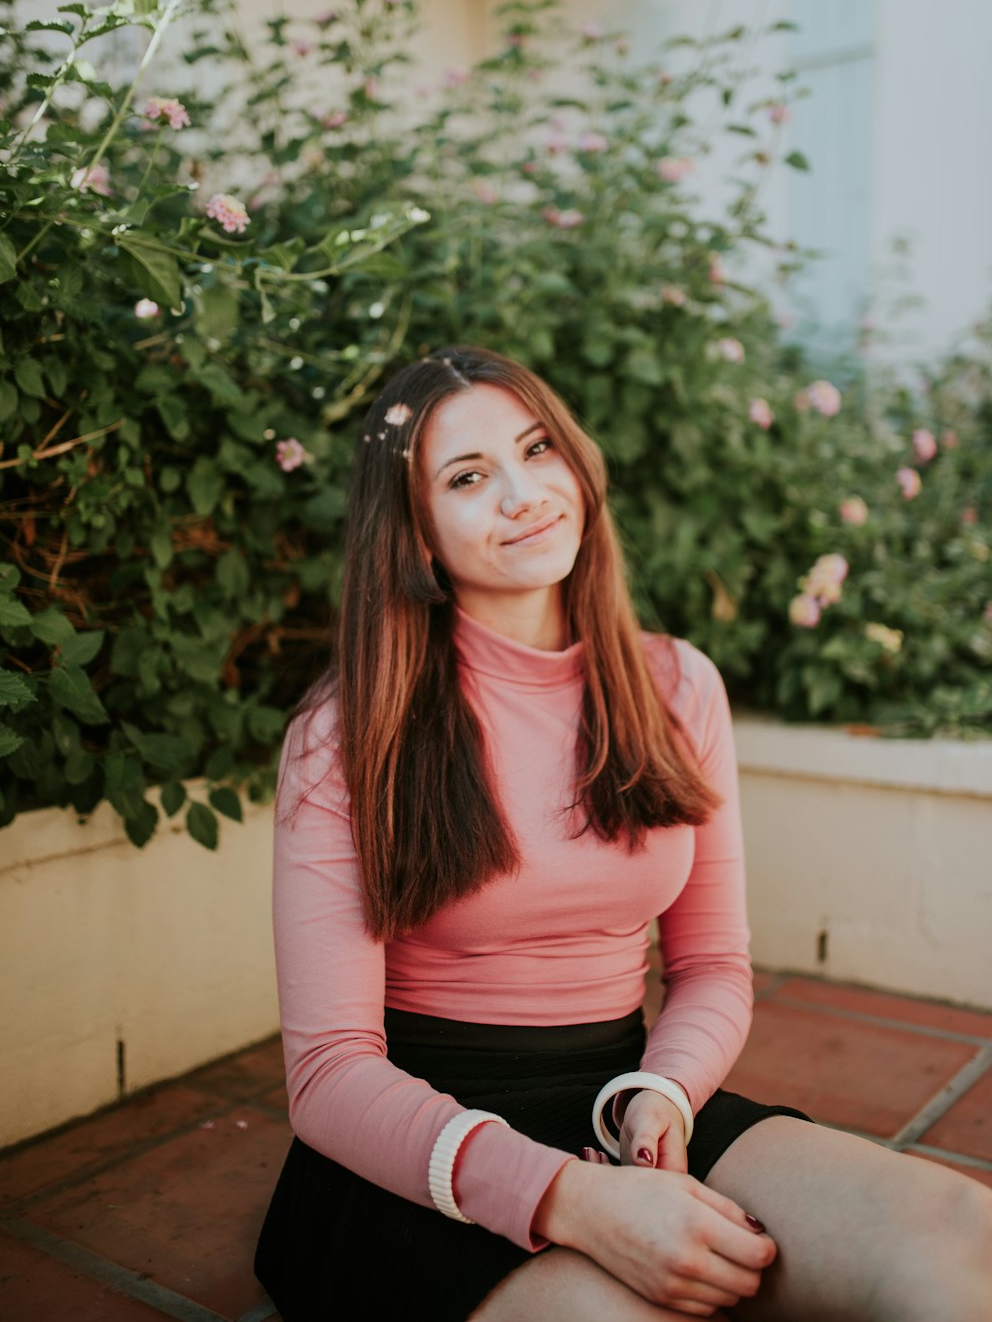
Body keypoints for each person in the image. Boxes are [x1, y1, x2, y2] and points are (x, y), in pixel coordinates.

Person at [254, 345, 992, 1321]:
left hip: (617, 1095)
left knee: (957, 1228)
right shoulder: (344, 731)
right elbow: (329, 1076)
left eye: (538, 449)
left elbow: (714, 964)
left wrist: (662, 1097)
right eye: (469, 477)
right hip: (414, 1146)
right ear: (417, 535)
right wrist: (570, 1200)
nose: (523, 493)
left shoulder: (677, 685)